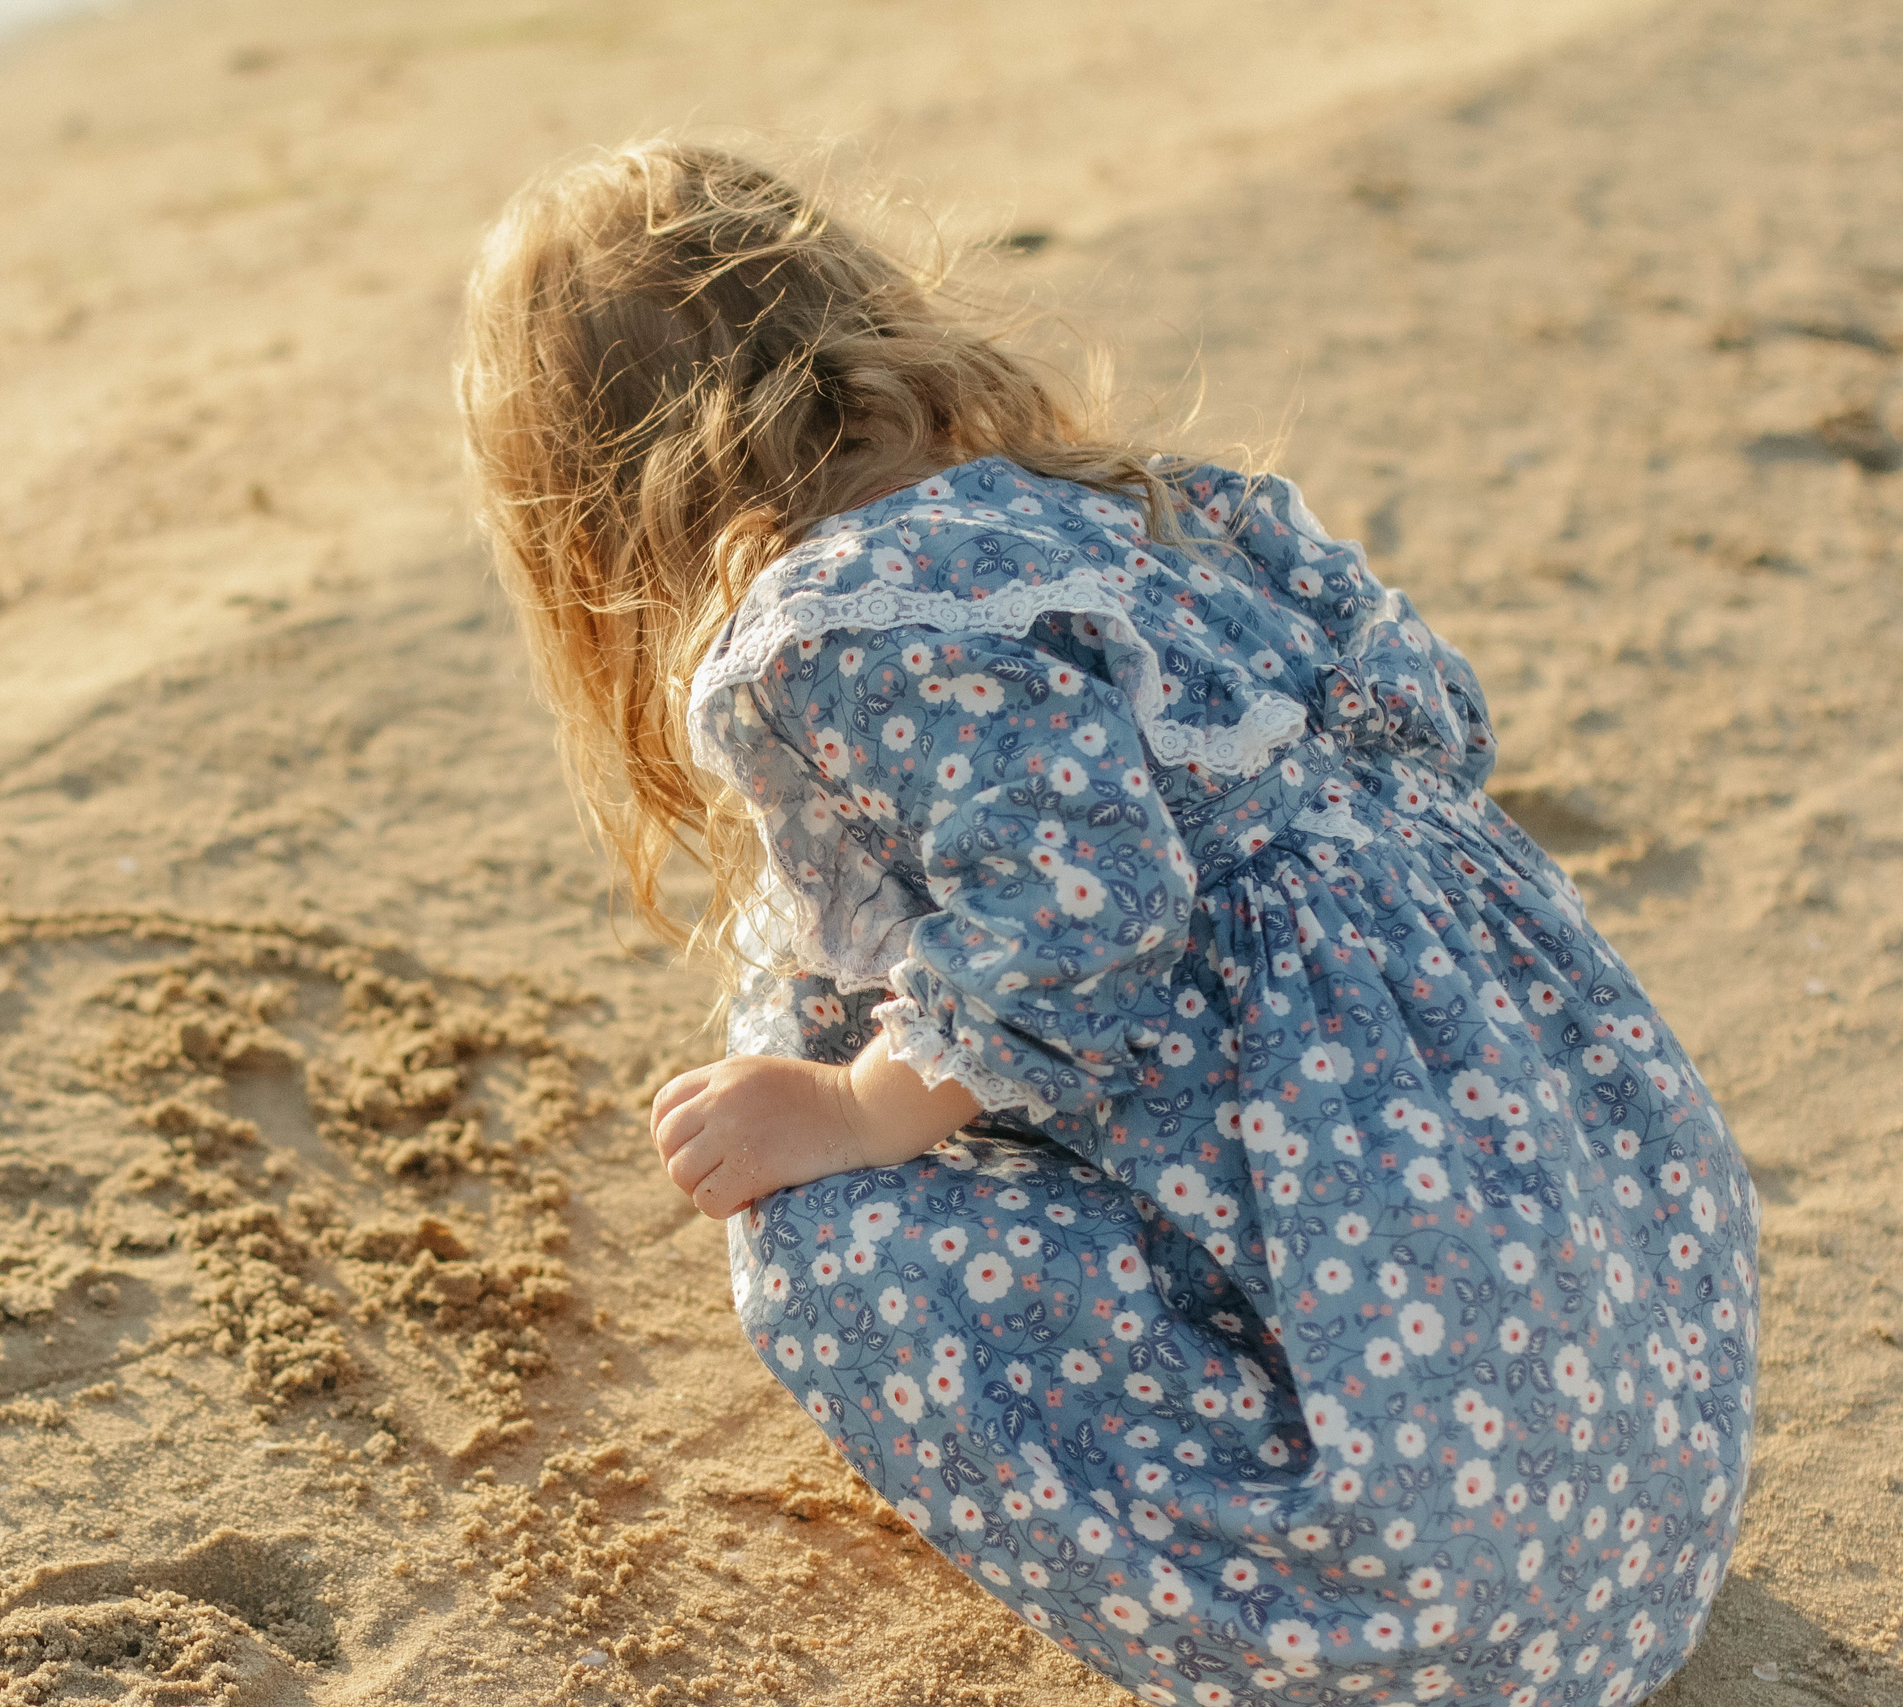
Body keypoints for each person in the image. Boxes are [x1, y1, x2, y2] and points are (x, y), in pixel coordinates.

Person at [457, 139, 1757, 1707]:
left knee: (819, 1234)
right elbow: (1435, 726)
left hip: (1435, 1632)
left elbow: (1089, 913)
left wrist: (858, 1107)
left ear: (597, 497)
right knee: (923, 996)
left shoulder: (844, 632)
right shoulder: (1153, 508)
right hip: (1632, 1489)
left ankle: (1264, 1615)